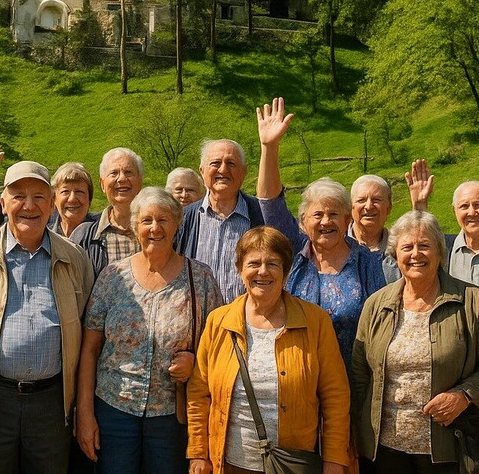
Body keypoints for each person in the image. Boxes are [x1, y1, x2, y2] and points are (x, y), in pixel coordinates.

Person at [0, 160, 94, 474]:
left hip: (52, 406)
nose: (29, 205)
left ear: (52, 205)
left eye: (39, 197)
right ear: (2, 204)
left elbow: (86, 333)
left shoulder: (74, 257)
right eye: (18, 196)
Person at [351, 209, 479, 473]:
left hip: (451, 446)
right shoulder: (376, 304)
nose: (416, 254)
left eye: (425, 246)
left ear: (439, 253)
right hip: (387, 449)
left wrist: (464, 395)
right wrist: (359, 433)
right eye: (407, 247)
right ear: (395, 255)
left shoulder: (471, 300)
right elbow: (360, 376)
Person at [76, 187, 222, 474]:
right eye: (147, 221)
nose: (155, 228)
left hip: (171, 416)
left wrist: (195, 362)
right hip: (114, 410)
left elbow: (218, 348)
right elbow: (90, 350)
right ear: (135, 227)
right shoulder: (113, 276)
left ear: (177, 223)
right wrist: (85, 413)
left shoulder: (201, 278)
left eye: (163, 219)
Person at [186, 226, 351, 474]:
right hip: (230, 464)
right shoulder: (219, 322)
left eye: (273, 263)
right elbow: (199, 394)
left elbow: (336, 397)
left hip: (292, 465)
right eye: (254, 263)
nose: (262, 271)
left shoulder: (315, 322)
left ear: (285, 273)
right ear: (240, 270)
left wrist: (334, 459)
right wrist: (198, 453)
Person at [177, 98, 304, 302]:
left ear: (244, 172)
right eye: (215, 163)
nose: (223, 170)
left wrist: (269, 147)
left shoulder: (261, 214)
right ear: (201, 171)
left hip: (249, 324)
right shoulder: (184, 219)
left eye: (231, 163)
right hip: (200, 328)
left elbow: (271, 199)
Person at [287, 177, 386, 363]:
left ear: (347, 219)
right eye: (317, 215)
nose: (326, 221)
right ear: (303, 222)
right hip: (300, 378)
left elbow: (381, 327)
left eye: (333, 214)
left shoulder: (368, 264)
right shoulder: (294, 264)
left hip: (353, 379)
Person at [408, 160, 479, 286]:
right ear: (454, 211)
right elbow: (420, 239)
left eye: (478, 205)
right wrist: (419, 204)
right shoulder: (443, 248)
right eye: (464, 206)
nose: (471, 212)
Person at [70, 147, 144, 276]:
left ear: (140, 180)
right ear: (102, 184)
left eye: (128, 172)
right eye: (114, 173)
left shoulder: (159, 231)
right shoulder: (83, 237)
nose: (121, 179)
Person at [350, 174, 400, 283]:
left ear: (389, 207)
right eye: (361, 200)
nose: (368, 206)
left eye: (376, 200)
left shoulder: (399, 247)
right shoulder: (336, 246)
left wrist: (419, 206)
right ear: (351, 206)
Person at [49, 162, 98, 238]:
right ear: (54, 199)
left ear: (89, 200)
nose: (72, 199)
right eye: (65, 191)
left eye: (79, 192)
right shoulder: (42, 233)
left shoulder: (100, 234)